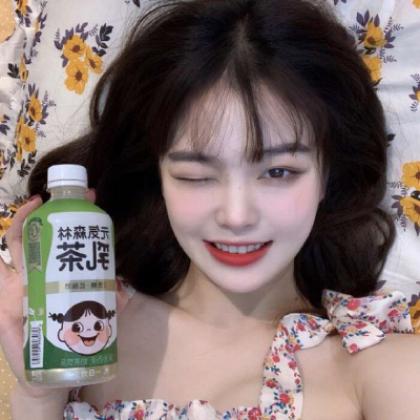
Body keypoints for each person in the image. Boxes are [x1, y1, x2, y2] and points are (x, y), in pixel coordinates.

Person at [1, 0, 419, 418]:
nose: (236, 217)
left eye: (278, 172)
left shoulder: (380, 370)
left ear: (327, 174)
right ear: (158, 175)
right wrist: (41, 396)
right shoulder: (83, 335)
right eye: (195, 175)